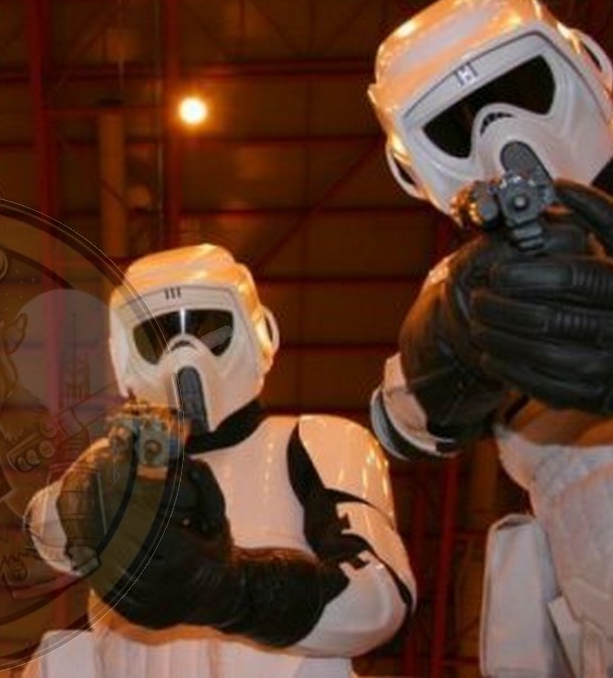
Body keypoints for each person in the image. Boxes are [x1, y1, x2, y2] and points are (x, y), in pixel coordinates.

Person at [366, 0, 613, 676]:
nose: (500, 134)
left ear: (586, 68)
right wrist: (451, 339)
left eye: (519, 89)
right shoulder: (471, 281)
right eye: (455, 125)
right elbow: (404, 420)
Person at [23, 244, 415, 678]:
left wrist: (229, 589)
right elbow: (45, 536)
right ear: (123, 355)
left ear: (259, 332)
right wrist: (79, 501)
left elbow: (379, 599)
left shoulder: (314, 441)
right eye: (158, 336)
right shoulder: (114, 462)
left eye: (207, 329)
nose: (184, 353)